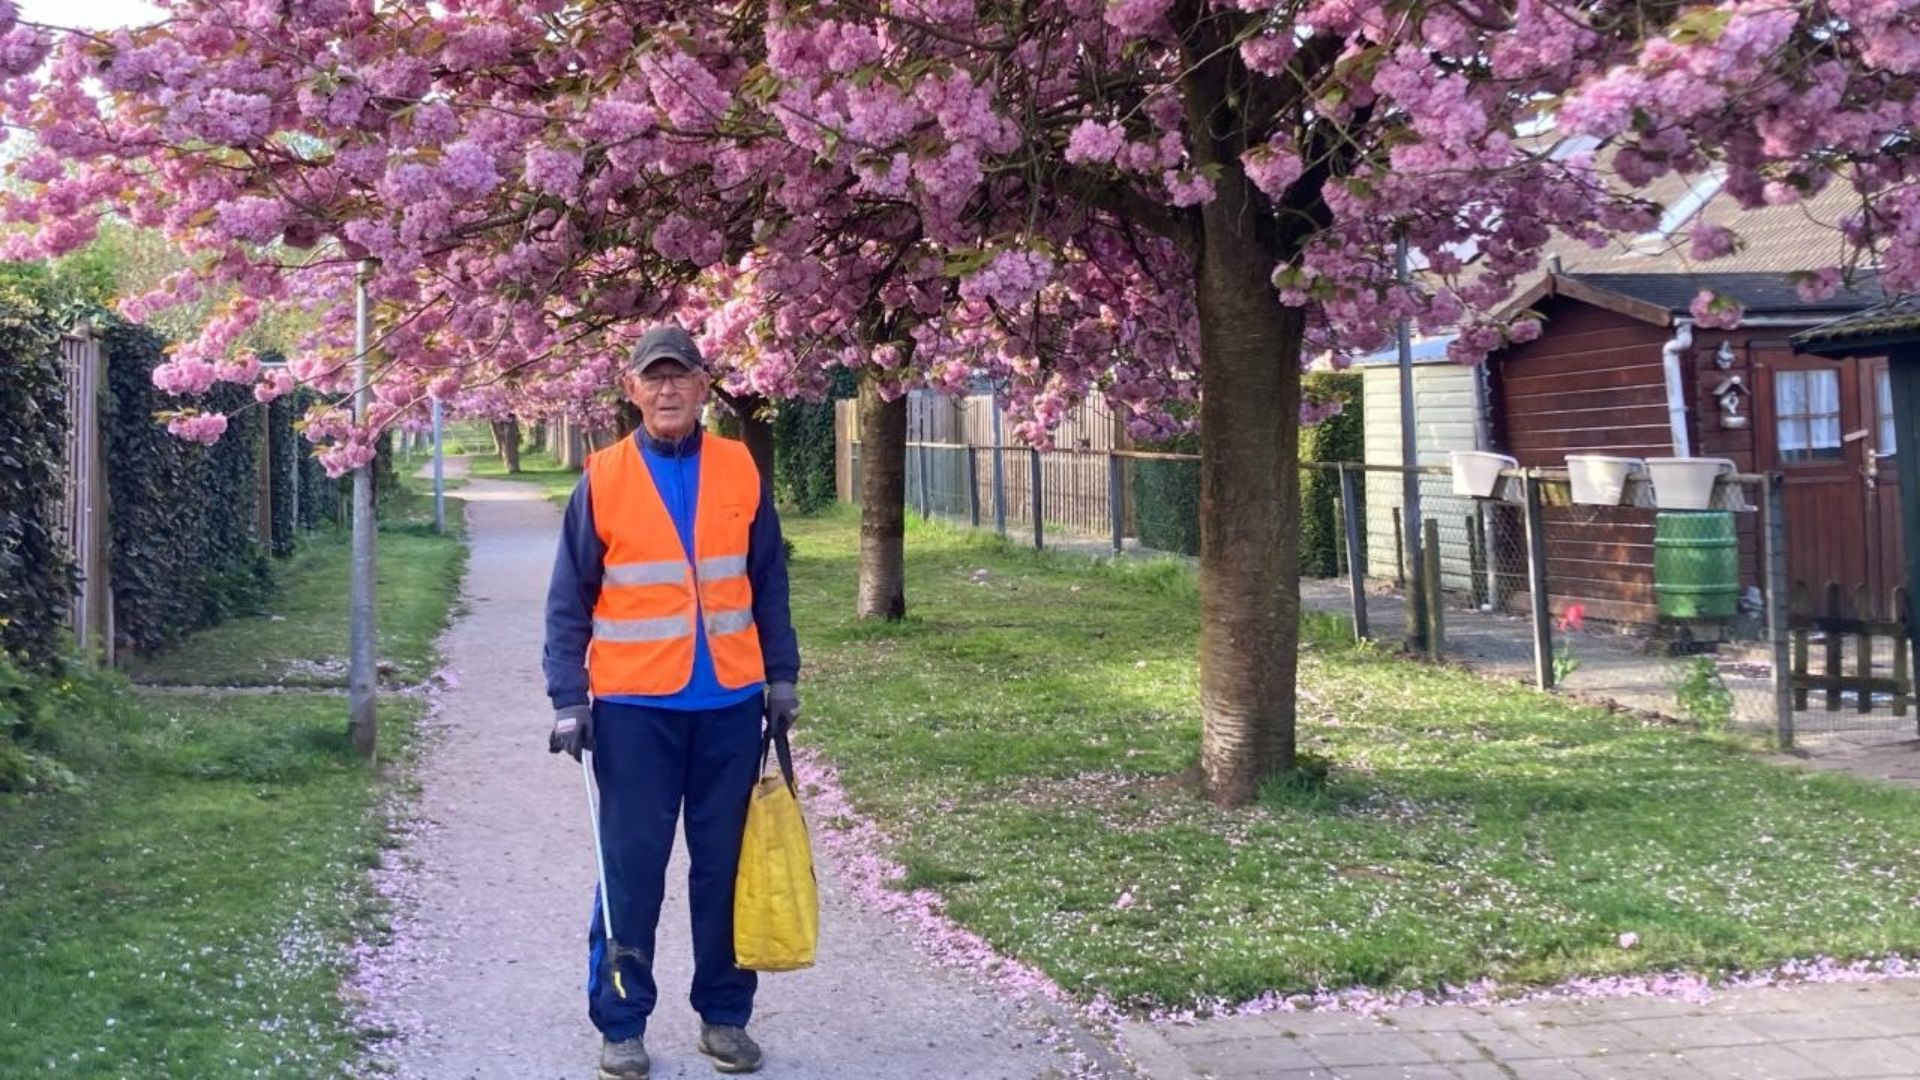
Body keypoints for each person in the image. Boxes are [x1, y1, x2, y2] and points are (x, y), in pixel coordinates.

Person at [543, 325, 801, 1079]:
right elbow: (570, 600)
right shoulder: (603, 477)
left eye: (679, 377)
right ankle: (622, 1023)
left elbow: (768, 583)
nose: (666, 391)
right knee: (631, 870)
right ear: (632, 389)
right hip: (632, 713)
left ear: (702, 386)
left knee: (723, 868)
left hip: (727, 706)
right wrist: (569, 697)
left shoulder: (741, 470)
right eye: (652, 379)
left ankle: (724, 1018)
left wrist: (780, 676)